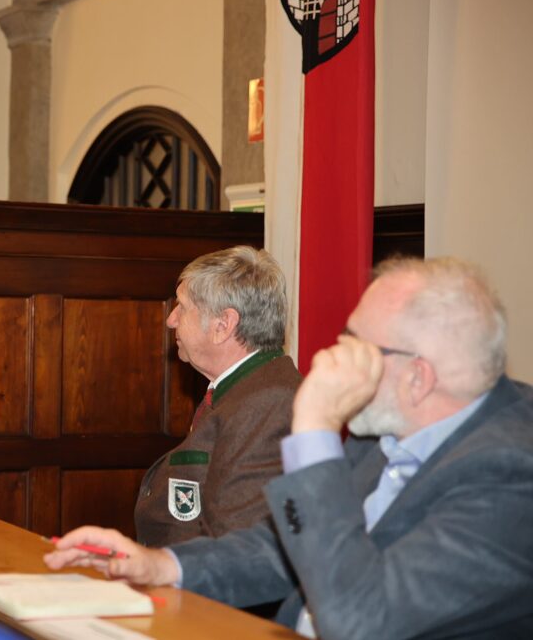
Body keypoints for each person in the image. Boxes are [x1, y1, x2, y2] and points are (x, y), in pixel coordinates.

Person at [46, 257, 533, 639]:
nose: (330, 358)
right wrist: (160, 565)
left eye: (356, 346)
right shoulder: (388, 432)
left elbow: (361, 621)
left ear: (417, 378)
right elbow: (286, 548)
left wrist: (315, 430)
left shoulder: (511, 476)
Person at [134, 246, 300, 547]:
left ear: (223, 325)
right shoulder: (240, 388)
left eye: (182, 307)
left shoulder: (269, 401)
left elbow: (238, 542)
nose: (171, 319)